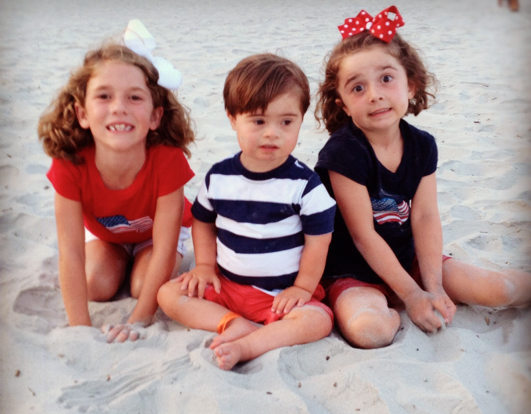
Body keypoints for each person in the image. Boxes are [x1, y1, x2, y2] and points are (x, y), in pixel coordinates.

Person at [314, 6, 531, 349]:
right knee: (371, 330)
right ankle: (390, 307)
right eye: (357, 88)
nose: (374, 94)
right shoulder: (343, 152)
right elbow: (363, 236)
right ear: (342, 104)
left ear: (411, 85)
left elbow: (426, 217)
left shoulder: (422, 145)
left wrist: (433, 286)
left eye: (386, 79)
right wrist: (412, 296)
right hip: (354, 272)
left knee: (501, 290)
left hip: (409, 261)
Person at [157, 53, 337, 370]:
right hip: (226, 286)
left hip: (278, 294)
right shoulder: (219, 177)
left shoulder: (305, 186)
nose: (272, 133)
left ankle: (250, 345)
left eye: (286, 122)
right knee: (169, 294)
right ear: (232, 119)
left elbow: (318, 242)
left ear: (300, 120)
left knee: (317, 320)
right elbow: (202, 222)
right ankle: (231, 323)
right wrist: (204, 266)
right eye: (258, 121)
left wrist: (302, 287)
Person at [38, 21, 195, 343]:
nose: (119, 108)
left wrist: (138, 320)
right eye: (104, 96)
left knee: (142, 287)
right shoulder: (69, 164)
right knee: (95, 286)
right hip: (106, 234)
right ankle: (120, 259)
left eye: (134, 97)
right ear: (82, 113)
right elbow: (70, 253)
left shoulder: (168, 160)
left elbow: (165, 249)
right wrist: (80, 330)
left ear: (155, 116)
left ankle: (134, 265)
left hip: (156, 237)